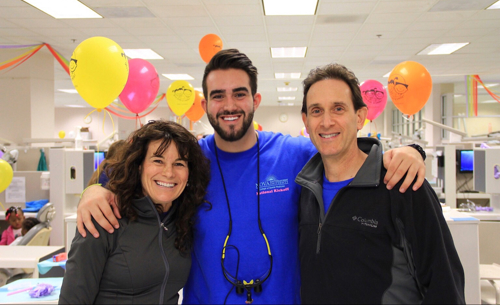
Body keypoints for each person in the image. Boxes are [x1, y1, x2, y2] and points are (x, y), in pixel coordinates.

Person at [76, 49, 426, 304]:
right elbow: (132, 168)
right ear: (207, 104)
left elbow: (344, 147)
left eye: (239, 94)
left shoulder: (293, 154)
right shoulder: (188, 161)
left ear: (255, 99)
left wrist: (410, 151)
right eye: (218, 96)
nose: (229, 105)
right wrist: (93, 190)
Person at [296, 63, 465, 303]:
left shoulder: (402, 185)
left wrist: (414, 151)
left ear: (360, 117)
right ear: (306, 121)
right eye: (316, 111)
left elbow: (444, 286)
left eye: (338, 108)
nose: (326, 122)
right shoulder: (304, 192)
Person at [59, 120, 210, 304]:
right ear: (139, 166)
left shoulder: (184, 219)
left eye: (179, 163)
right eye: (158, 161)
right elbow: (73, 299)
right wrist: (91, 190)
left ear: (189, 172)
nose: (169, 173)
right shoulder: (105, 216)